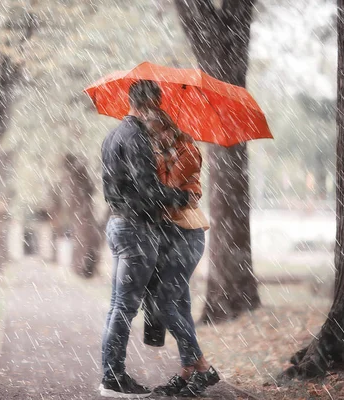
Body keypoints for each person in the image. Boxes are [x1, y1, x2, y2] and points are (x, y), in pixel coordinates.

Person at [100, 80, 191, 398]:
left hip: (118, 224)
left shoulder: (112, 136)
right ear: (148, 104)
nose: (159, 112)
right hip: (136, 229)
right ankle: (113, 377)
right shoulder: (136, 138)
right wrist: (180, 196)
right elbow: (148, 192)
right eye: (158, 105)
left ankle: (111, 372)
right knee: (124, 308)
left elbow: (116, 188)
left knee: (116, 307)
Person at [143, 109, 220, 397]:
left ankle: (202, 366)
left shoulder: (188, 150)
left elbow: (167, 189)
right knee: (181, 305)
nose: (154, 136)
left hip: (188, 235)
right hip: (169, 236)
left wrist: (156, 166)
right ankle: (189, 370)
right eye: (151, 132)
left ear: (169, 126)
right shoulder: (163, 151)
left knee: (164, 302)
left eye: (157, 129)